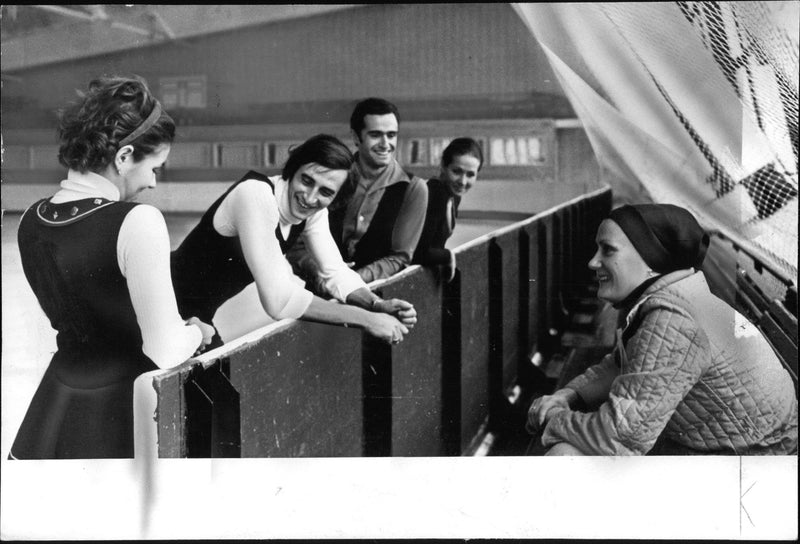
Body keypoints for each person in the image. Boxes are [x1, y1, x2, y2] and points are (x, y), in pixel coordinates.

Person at [9, 76, 214, 460]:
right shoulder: (137, 221)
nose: (153, 182)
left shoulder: (29, 220)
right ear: (123, 158)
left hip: (52, 407)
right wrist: (195, 331)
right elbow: (166, 349)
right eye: (155, 167)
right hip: (118, 414)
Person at [527, 204, 798, 455]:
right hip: (750, 446)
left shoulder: (675, 321)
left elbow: (619, 438)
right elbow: (625, 364)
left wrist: (556, 420)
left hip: (759, 461)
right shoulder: (677, 299)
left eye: (607, 250)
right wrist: (570, 395)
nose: (593, 262)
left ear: (650, 261)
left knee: (564, 456)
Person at [170, 134, 417, 348]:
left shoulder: (313, 213)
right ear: (292, 170)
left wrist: (376, 305)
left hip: (195, 318)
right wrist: (365, 319)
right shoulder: (255, 194)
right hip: (157, 305)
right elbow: (279, 301)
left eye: (325, 192)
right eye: (306, 180)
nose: (310, 198)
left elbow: (335, 272)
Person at [293, 98, 428, 285]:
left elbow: (400, 257)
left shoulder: (414, 189)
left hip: (378, 294)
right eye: (375, 135)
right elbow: (297, 246)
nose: (385, 143)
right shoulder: (331, 178)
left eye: (391, 135)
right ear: (356, 137)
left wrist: (350, 282)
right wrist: (319, 272)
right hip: (323, 291)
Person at [413, 137, 483, 280]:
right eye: (457, 171)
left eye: (470, 174)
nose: (463, 182)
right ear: (443, 166)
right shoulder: (435, 194)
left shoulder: (452, 195)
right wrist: (447, 256)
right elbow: (416, 252)